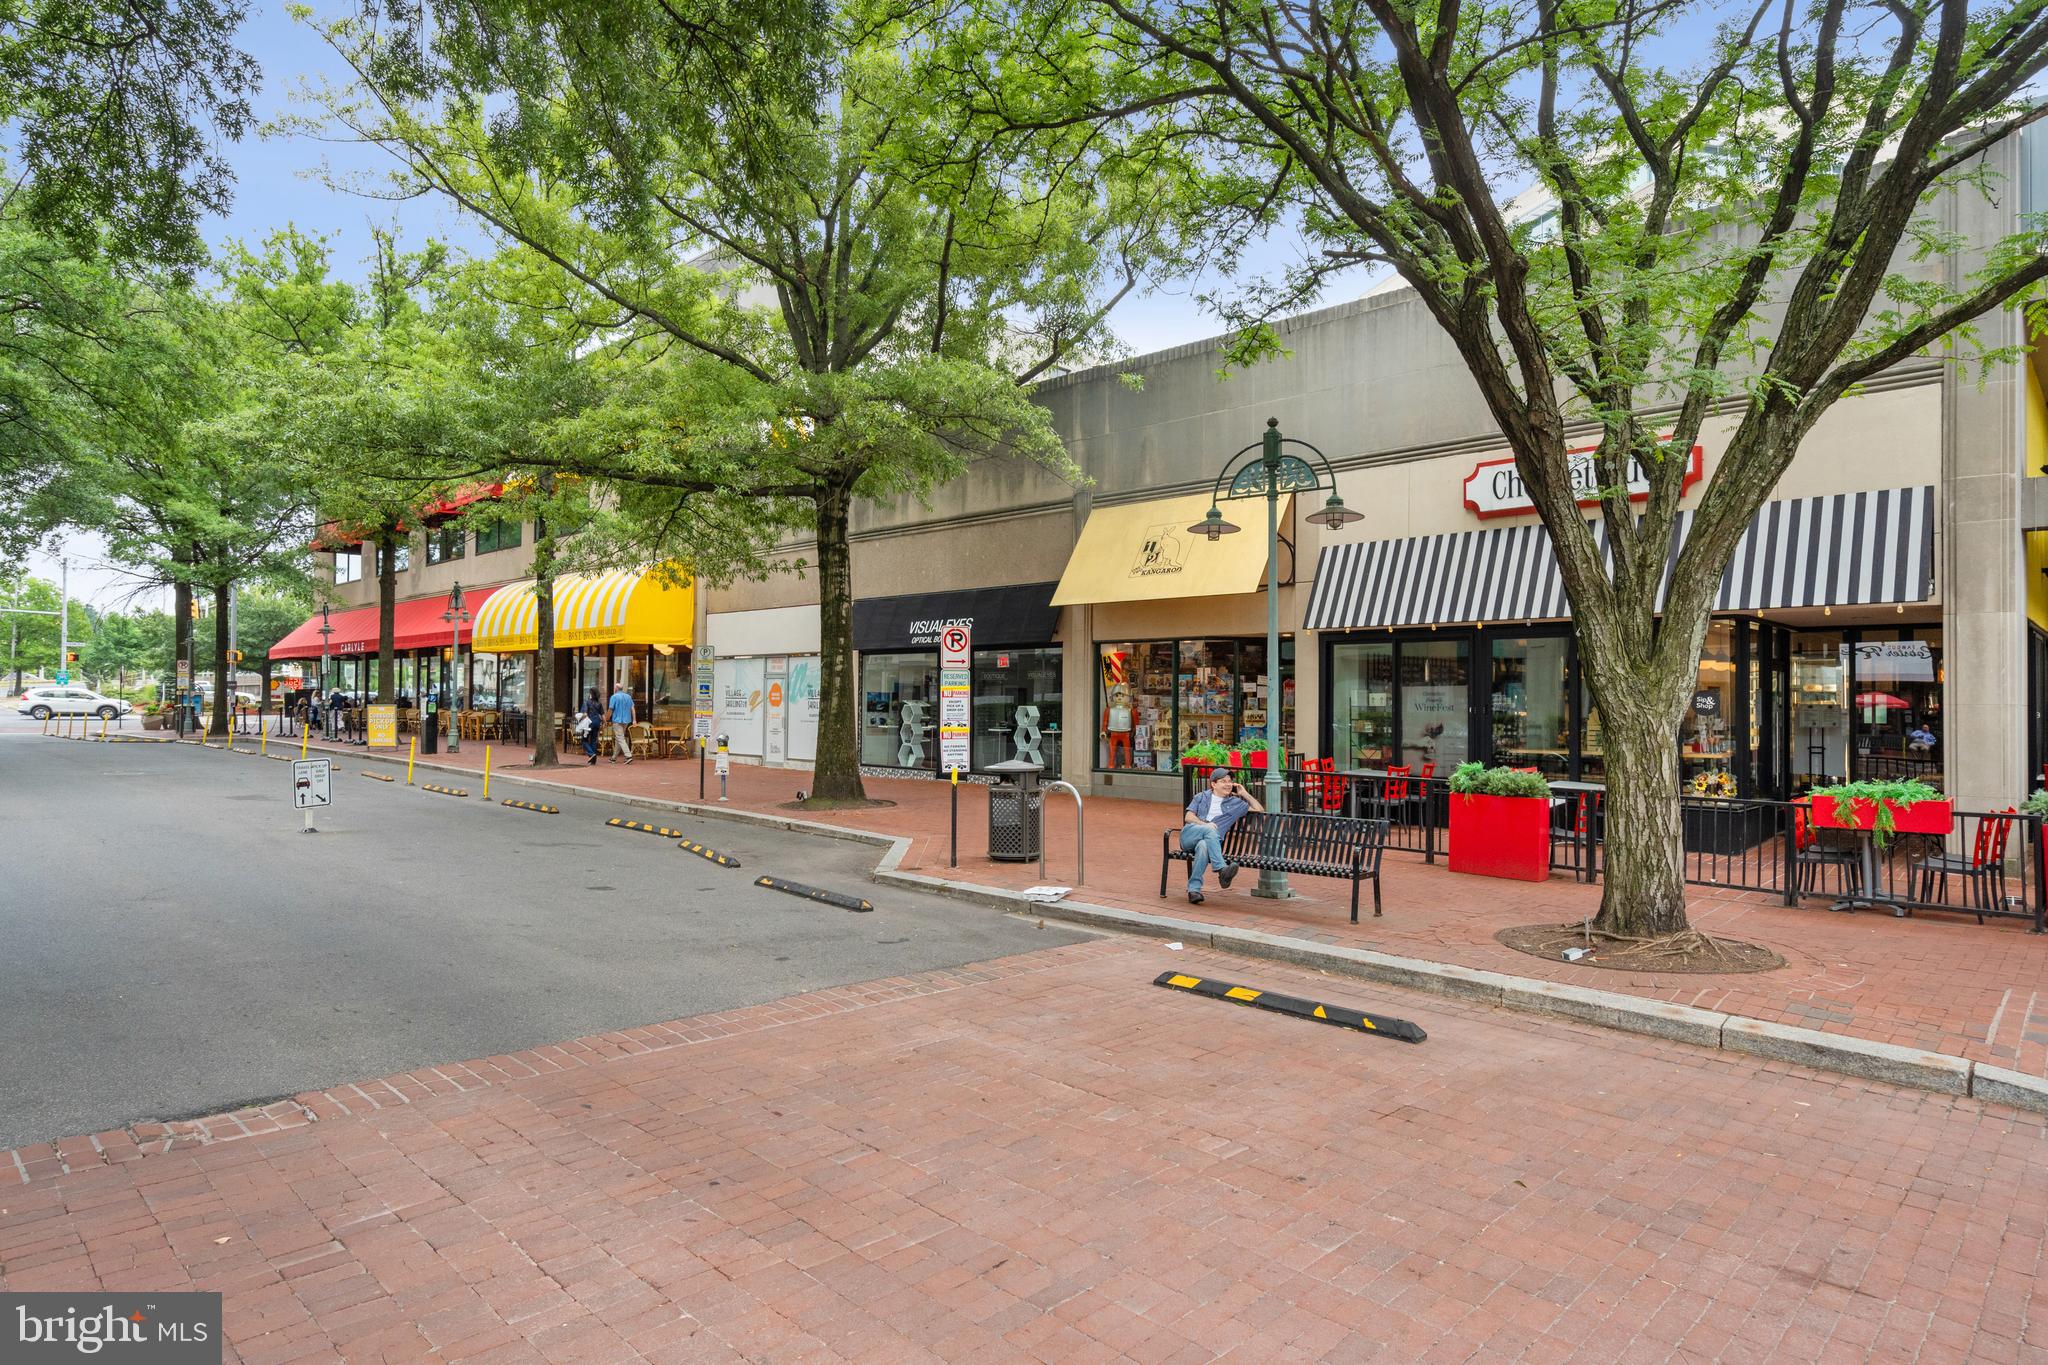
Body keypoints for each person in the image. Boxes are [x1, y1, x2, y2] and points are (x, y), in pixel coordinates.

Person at [1182, 766, 1260, 904]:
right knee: (1211, 830)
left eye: (1230, 781)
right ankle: (1221, 869)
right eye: (1224, 781)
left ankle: (1193, 890)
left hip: (1209, 842)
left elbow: (1259, 810)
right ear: (1213, 784)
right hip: (1190, 834)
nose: (1228, 784)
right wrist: (1204, 824)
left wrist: (1245, 794)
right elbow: (1188, 817)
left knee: (1203, 846)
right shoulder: (1202, 797)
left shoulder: (1236, 803)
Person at [608, 680, 637, 763]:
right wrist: (634, 720)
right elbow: (632, 708)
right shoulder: (628, 697)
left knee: (620, 738)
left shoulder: (614, 697)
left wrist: (606, 719)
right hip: (626, 720)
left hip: (617, 720)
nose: (614, 689)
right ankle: (614, 757)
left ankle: (628, 756)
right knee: (619, 738)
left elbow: (611, 709)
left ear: (616, 689)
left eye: (614, 688)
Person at [578, 690, 604, 764]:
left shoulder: (587, 702)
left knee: (584, 740)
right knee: (593, 740)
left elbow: (585, 714)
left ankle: (591, 754)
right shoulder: (599, 703)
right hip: (596, 723)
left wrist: (579, 717)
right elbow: (603, 715)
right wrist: (604, 723)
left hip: (588, 724)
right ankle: (593, 761)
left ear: (591, 694)